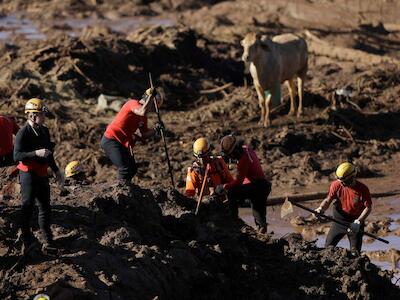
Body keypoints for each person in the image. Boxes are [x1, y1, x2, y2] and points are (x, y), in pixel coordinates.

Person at [14, 98, 65, 253]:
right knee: (27, 206)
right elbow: (16, 156)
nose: (44, 117)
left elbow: (48, 154)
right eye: (42, 114)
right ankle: (26, 238)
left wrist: (56, 171)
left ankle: (48, 241)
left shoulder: (44, 131)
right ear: (31, 116)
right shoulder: (23, 133)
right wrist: (35, 153)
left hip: (42, 175)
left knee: (45, 208)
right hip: (28, 174)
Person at [101, 87, 164, 186]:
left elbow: (143, 135)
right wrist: (151, 97)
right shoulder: (132, 103)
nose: (151, 109)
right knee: (124, 168)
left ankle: (125, 188)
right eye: (153, 106)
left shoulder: (143, 118)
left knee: (132, 169)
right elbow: (142, 111)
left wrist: (155, 129)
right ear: (148, 99)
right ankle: (120, 190)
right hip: (111, 140)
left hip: (123, 143)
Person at [315, 162, 372, 256]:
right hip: (339, 221)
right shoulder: (336, 185)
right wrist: (321, 209)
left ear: (352, 177)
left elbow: (368, 208)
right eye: (340, 181)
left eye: (344, 182)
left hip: (355, 223)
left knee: (355, 254)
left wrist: (358, 221)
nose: (341, 184)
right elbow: (328, 200)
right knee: (327, 248)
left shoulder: (362, 189)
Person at [219, 135, 271, 234]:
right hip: (263, 185)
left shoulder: (243, 161)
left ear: (235, 152)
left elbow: (238, 182)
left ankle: (234, 221)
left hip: (257, 186)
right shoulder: (246, 149)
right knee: (258, 211)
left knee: (232, 193)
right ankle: (262, 229)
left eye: (231, 156)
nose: (231, 158)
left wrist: (224, 186)